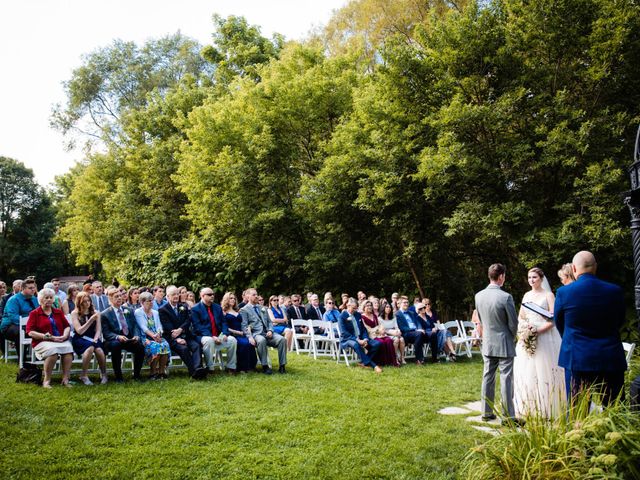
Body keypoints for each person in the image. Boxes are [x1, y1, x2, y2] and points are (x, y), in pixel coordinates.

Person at [555, 251, 627, 406]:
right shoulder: (614, 291)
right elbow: (620, 320)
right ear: (596, 267)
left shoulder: (564, 292)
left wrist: (572, 339)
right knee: (614, 411)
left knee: (577, 414)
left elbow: (560, 324)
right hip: (610, 356)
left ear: (574, 269)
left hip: (577, 357)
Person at [513, 268, 565, 418]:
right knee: (527, 370)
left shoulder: (548, 295)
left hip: (545, 337)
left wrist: (538, 331)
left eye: (534, 277)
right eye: (529, 277)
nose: (531, 280)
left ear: (541, 279)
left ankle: (548, 406)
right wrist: (525, 328)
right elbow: (521, 316)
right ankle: (527, 405)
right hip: (528, 335)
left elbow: (554, 319)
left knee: (545, 370)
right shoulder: (526, 295)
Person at [475, 263, 519, 424]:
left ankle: (486, 412)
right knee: (506, 378)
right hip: (504, 342)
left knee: (488, 376)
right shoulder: (506, 297)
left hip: (488, 342)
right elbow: (513, 324)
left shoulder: (478, 296)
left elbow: (480, 319)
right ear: (501, 276)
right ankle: (508, 416)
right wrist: (513, 337)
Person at [26, 287, 74, 388]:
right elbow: (30, 332)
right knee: (53, 352)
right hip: (42, 341)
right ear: (40, 299)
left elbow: (67, 326)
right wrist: (45, 336)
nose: (49, 299)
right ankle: (47, 380)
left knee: (68, 350)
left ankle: (65, 379)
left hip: (60, 339)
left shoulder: (58, 312)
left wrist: (65, 335)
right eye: (46, 297)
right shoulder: (34, 313)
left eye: (51, 297)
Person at [159, 286, 206, 380]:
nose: (176, 296)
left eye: (177, 294)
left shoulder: (183, 306)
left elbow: (188, 320)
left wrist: (180, 329)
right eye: (173, 294)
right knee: (184, 349)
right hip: (172, 338)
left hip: (186, 335)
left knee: (196, 346)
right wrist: (177, 339)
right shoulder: (163, 310)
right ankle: (194, 372)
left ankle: (198, 369)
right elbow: (167, 326)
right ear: (167, 296)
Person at [101, 286, 145, 382]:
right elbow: (106, 333)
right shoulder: (105, 314)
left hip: (128, 338)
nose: (119, 298)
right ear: (110, 299)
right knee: (116, 346)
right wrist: (117, 337)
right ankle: (119, 377)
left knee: (140, 347)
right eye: (116, 296)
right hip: (113, 339)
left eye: (120, 296)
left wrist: (136, 335)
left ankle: (136, 375)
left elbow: (135, 326)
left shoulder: (128, 310)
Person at [240, 288, 287, 374]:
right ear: (248, 296)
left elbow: (269, 322)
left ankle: (282, 366)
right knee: (261, 340)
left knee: (282, 340)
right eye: (254, 295)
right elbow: (244, 326)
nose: (256, 296)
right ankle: (265, 366)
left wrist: (270, 330)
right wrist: (250, 337)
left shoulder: (262, 308)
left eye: (256, 294)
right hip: (256, 334)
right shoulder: (244, 310)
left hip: (267, 332)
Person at [191, 288, 237, 373]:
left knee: (232, 340)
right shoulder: (195, 309)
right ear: (202, 296)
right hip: (203, 336)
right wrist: (212, 336)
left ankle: (231, 367)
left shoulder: (217, 307)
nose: (212, 296)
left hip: (219, 335)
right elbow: (198, 327)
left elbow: (224, 322)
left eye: (213, 294)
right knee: (209, 341)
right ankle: (210, 368)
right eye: (209, 294)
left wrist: (224, 334)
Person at [71, 291, 108, 385]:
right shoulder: (75, 313)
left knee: (99, 350)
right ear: (79, 302)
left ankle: (103, 374)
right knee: (90, 347)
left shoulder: (96, 312)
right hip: (80, 338)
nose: (87, 303)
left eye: (89, 301)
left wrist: (96, 338)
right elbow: (79, 331)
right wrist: (91, 320)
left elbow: (98, 329)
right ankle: (84, 375)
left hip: (93, 337)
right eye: (84, 301)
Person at [338, 298, 382, 373]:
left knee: (377, 344)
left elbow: (363, 329)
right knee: (356, 344)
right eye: (353, 308)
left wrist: (365, 339)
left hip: (361, 337)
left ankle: (364, 362)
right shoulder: (342, 316)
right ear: (348, 306)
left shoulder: (358, 315)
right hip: (347, 339)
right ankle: (373, 365)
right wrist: (358, 340)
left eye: (356, 308)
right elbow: (344, 333)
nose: (355, 310)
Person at [135, 291, 170, 380]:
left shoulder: (155, 312)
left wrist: (158, 334)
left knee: (165, 345)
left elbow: (159, 326)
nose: (151, 303)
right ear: (142, 302)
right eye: (148, 301)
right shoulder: (138, 312)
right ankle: (153, 372)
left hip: (157, 336)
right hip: (145, 337)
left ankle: (161, 372)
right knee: (155, 347)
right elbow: (143, 327)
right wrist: (153, 336)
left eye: (152, 301)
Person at [0, 278, 38, 360]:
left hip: (28, 325)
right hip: (9, 325)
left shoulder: (34, 299)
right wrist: (29, 324)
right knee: (20, 332)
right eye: (30, 288)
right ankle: (22, 360)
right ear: (23, 288)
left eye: (34, 287)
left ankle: (39, 357)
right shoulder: (14, 299)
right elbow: (13, 317)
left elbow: (38, 313)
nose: (33, 290)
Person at [222, 292, 257, 373]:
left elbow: (243, 323)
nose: (233, 300)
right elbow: (224, 327)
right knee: (243, 344)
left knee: (250, 343)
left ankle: (251, 366)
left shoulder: (237, 310)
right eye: (231, 298)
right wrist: (237, 332)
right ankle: (241, 368)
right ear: (226, 299)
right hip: (232, 334)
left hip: (242, 333)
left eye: (234, 298)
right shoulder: (223, 312)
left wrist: (248, 329)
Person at [361, 300, 398, 366]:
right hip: (371, 336)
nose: (369, 307)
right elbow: (367, 329)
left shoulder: (374, 315)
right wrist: (377, 330)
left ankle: (392, 361)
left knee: (389, 340)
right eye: (367, 306)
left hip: (380, 334)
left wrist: (382, 329)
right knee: (381, 342)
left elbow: (380, 325)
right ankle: (381, 362)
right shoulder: (362, 317)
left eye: (370, 305)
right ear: (364, 307)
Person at [395, 296, 429, 365]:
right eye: (404, 303)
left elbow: (418, 323)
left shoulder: (411, 313)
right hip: (406, 334)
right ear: (400, 304)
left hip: (416, 333)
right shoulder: (397, 314)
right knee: (419, 334)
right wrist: (416, 330)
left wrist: (420, 329)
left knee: (425, 334)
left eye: (407, 303)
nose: (406, 304)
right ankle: (419, 359)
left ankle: (424, 359)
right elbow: (402, 328)